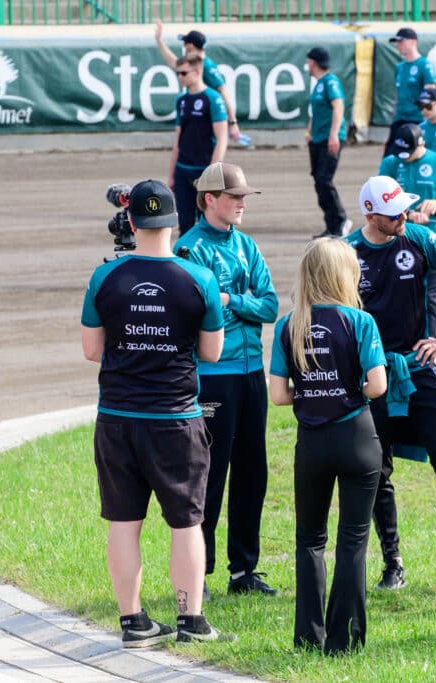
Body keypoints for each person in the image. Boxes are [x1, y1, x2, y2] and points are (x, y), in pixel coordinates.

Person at [81, 179, 231, 644]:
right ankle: (191, 619)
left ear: (130, 221)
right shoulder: (199, 279)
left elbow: (92, 350)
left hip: (117, 417)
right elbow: (211, 352)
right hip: (175, 419)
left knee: (124, 522)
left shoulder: (105, 277)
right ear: (175, 221)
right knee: (186, 522)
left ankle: (133, 622)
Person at [346, 176, 436, 589]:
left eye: (405, 210)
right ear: (370, 215)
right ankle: (392, 562)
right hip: (373, 375)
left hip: (419, 369)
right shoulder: (346, 252)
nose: (404, 218)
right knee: (376, 470)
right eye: (394, 214)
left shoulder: (421, 238)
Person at [269, 238, 387, 655]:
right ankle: (345, 640)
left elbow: (278, 396)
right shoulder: (360, 321)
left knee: (309, 540)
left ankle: (308, 637)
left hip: (312, 442)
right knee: (353, 539)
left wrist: (311, 394)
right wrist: (348, 391)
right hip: (357, 437)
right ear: (344, 275)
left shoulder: (289, 325)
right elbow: (377, 385)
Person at [174, 162, 280, 599]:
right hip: (213, 376)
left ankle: (244, 571)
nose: (241, 204)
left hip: (251, 374)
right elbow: (197, 313)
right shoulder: (189, 249)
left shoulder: (247, 244)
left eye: (243, 197)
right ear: (209, 199)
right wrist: (237, 303)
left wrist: (230, 299)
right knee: (209, 474)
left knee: (253, 473)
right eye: (234, 196)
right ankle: (199, 570)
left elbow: (270, 306)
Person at [378, 123, 436, 336]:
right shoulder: (390, 163)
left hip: (430, 240)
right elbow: (380, 201)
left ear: (421, 144)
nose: (403, 158)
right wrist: (408, 213)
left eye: (408, 153)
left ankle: (430, 341)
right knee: (395, 294)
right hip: (396, 238)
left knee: (428, 297)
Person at [168, 53, 228, 235]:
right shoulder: (181, 100)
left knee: (208, 224)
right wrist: (172, 174)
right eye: (178, 73)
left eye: (184, 73)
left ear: (198, 71)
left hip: (203, 171)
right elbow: (178, 140)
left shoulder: (213, 98)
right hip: (183, 170)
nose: (180, 77)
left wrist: (212, 173)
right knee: (184, 225)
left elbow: (222, 138)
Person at [154, 21, 241, 143]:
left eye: (185, 43)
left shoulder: (206, 66)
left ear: (190, 46)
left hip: (207, 116)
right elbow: (174, 62)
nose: (184, 46)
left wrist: (233, 123)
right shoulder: (196, 63)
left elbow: (223, 92)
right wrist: (159, 40)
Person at [305, 47, 351, 239]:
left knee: (324, 179)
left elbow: (338, 106)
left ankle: (341, 220)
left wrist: (334, 135)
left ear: (313, 62)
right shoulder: (319, 84)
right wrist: (309, 131)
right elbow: (317, 112)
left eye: (308, 61)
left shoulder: (330, 81)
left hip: (328, 138)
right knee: (319, 181)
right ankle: (331, 225)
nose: (307, 65)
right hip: (318, 138)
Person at [384, 27, 436, 158]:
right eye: (397, 42)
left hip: (417, 118)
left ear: (413, 42)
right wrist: (395, 111)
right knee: (390, 154)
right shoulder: (399, 67)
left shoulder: (424, 65)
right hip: (400, 117)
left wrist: (427, 114)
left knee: (415, 153)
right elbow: (399, 92)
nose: (398, 45)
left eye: (401, 41)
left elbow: (430, 91)